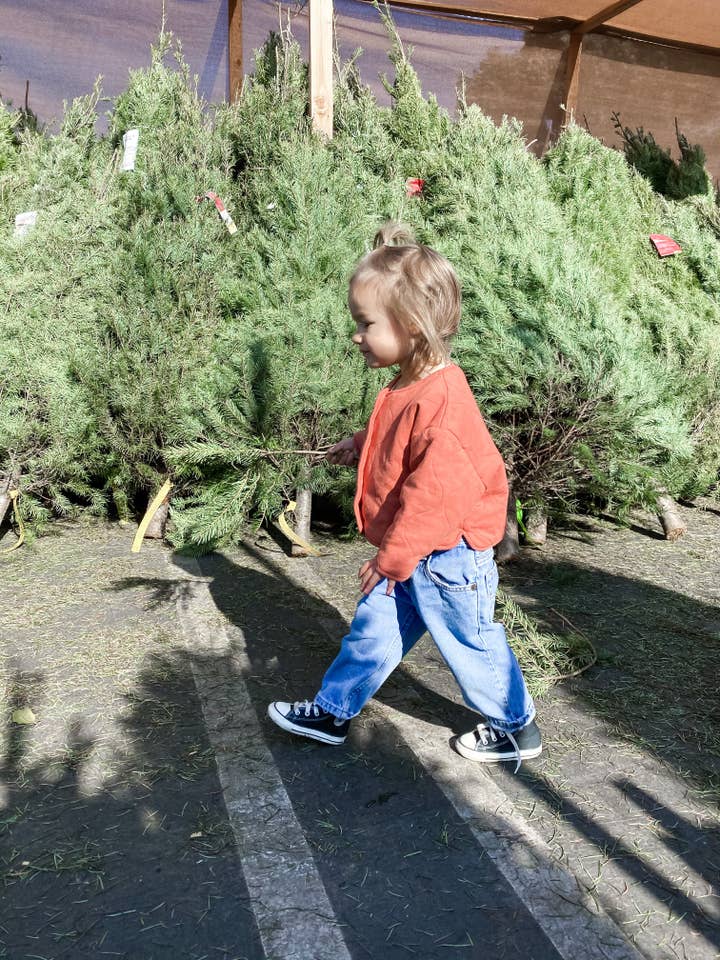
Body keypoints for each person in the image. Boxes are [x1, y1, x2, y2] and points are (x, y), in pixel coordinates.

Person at [267, 222, 541, 770]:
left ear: (412, 327)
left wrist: (392, 559)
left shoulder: (443, 402)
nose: (356, 335)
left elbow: (434, 495)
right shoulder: (411, 383)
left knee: (471, 641)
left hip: (448, 556)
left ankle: (515, 726)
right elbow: (399, 436)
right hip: (416, 549)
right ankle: (332, 711)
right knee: (374, 631)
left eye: (366, 324)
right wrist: (360, 443)